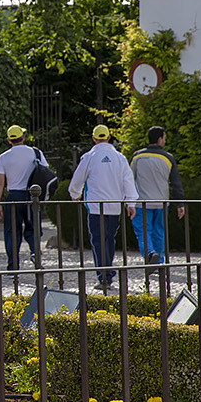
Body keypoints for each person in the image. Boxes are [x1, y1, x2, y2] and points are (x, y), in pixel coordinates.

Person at [68, 124, 137, 292]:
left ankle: (105, 276)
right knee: (109, 240)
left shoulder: (89, 157)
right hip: (115, 206)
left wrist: (75, 194)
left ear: (94, 138)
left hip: (95, 207)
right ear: (108, 137)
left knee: (98, 241)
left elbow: (77, 180)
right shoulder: (119, 158)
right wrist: (131, 202)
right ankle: (107, 273)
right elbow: (128, 180)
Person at [130, 126, 185, 266]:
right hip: (161, 203)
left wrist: (128, 201)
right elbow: (176, 182)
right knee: (159, 232)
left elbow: (129, 179)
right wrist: (180, 203)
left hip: (141, 203)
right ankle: (159, 261)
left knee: (143, 231)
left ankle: (150, 254)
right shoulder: (168, 158)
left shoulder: (137, 156)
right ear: (160, 139)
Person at [0, 124, 42, 270]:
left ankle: (12, 267)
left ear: (9, 140)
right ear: (24, 137)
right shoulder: (35, 153)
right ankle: (35, 253)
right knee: (33, 228)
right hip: (31, 196)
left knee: (12, 231)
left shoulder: (4, 157)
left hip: (13, 196)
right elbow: (45, 172)